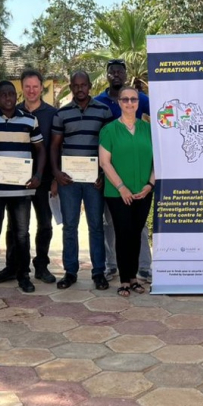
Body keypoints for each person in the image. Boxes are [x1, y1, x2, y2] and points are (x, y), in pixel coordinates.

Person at [0, 80, 45, 294]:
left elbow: (40, 150)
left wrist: (38, 175)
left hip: (21, 188)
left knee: (22, 234)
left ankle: (23, 276)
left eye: (11, 94)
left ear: (17, 96)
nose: (8, 98)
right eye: (3, 94)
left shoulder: (30, 120)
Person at [51, 71, 115, 290]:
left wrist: (103, 174)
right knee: (69, 226)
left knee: (96, 226)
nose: (79, 89)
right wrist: (57, 174)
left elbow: (109, 146)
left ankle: (98, 272)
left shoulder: (103, 111)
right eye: (75, 85)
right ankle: (70, 272)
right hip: (68, 180)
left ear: (89, 86)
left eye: (83, 85)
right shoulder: (62, 114)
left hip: (94, 180)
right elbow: (54, 146)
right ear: (71, 87)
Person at [95, 58, 153, 283]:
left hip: (140, 181)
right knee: (113, 226)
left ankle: (143, 268)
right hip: (113, 178)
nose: (130, 103)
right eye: (112, 72)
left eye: (120, 71)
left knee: (137, 229)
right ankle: (113, 267)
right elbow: (104, 158)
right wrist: (117, 185)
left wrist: (150, 184)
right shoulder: (98, 102)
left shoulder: (144, 103)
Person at [0, 70, 59, 284]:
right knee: (14, 225)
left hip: (43, 179)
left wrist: (54, 179)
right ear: (21, 88)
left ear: (41, 87)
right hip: (16, 179)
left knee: (44, 224)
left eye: (35, 86)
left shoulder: (53, 114)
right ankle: (11, 266)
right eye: (27, 87)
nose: (31, 90)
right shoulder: (12, 111)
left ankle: (41, 266)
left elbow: (56, 148)